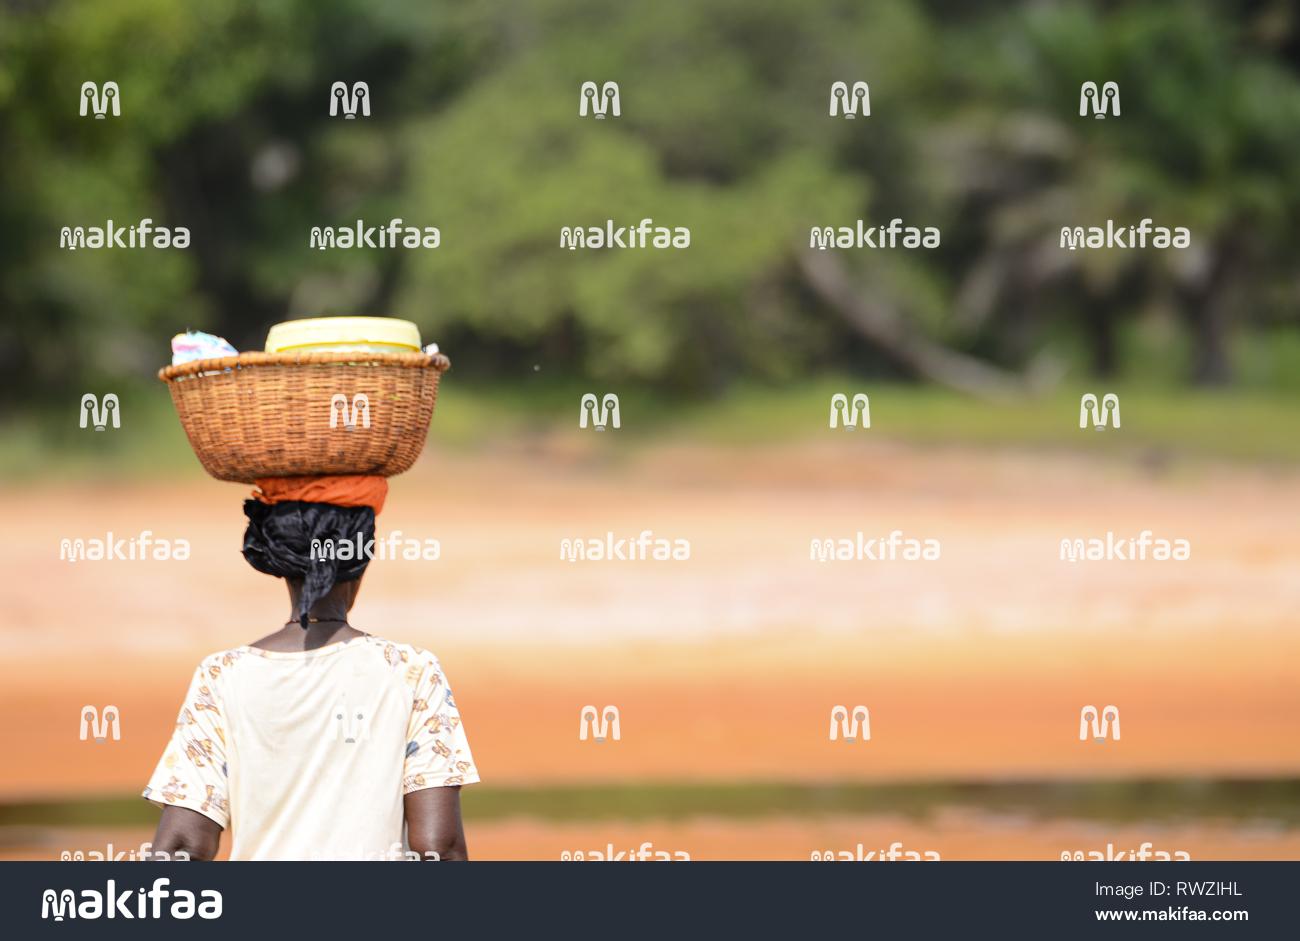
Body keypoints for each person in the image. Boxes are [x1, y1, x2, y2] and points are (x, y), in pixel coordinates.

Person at [142, 481, 478, 861]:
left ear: (281, 564)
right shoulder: (412, 671)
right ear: (363, 560)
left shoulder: (222, 676)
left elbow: (182, 845)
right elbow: (438, 846)